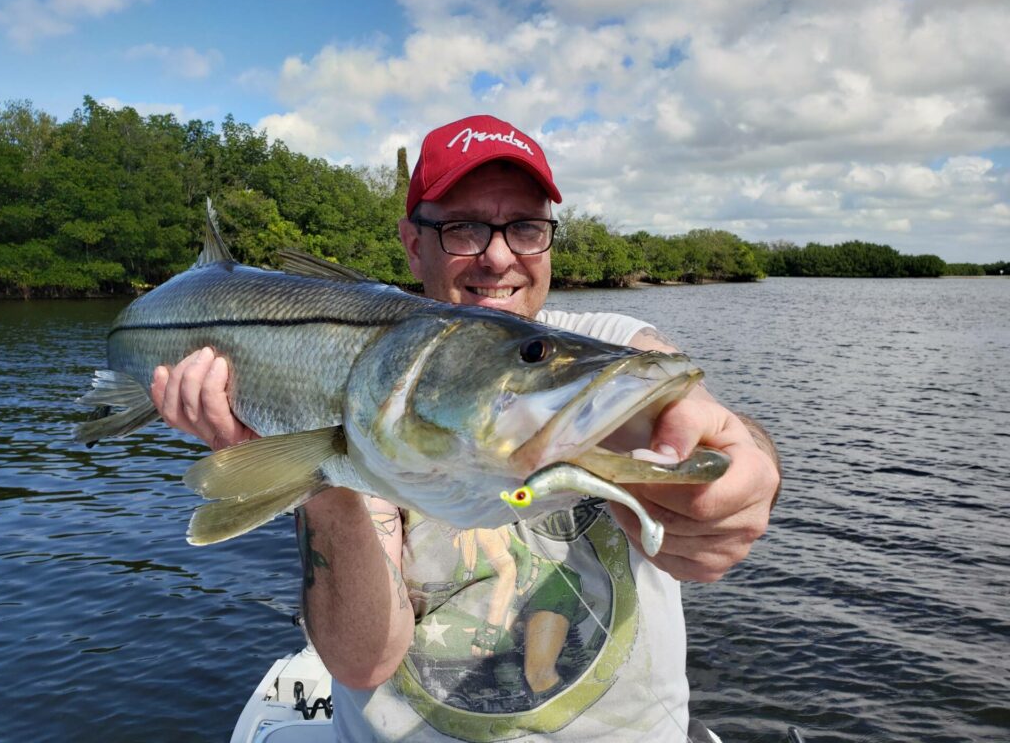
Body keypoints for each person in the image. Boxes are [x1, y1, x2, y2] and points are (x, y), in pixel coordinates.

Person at [151, 115, 781, 742]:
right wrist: (320, 482)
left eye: (527, 228)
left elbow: (698, 411)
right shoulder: (379, 384)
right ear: (412, 242)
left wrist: (746, 475)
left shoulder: (608, 346)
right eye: (465, 228)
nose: (499, 256)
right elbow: (363, 660)